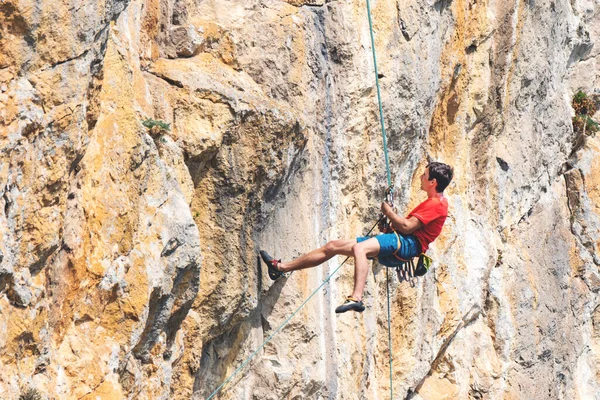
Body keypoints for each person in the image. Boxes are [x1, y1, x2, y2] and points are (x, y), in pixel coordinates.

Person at [260, 162, 453, 313]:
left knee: (360, 249)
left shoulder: (437, 203)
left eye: (425, 175)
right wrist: (388, 225)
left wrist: (389, 212)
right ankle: (281, 268)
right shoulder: (433, 202)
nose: (421, 176)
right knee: (333, 246)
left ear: (432, 182)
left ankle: (356, 298)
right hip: (402, 243)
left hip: (407, 244)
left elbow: (407, 226)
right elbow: (407, 228)